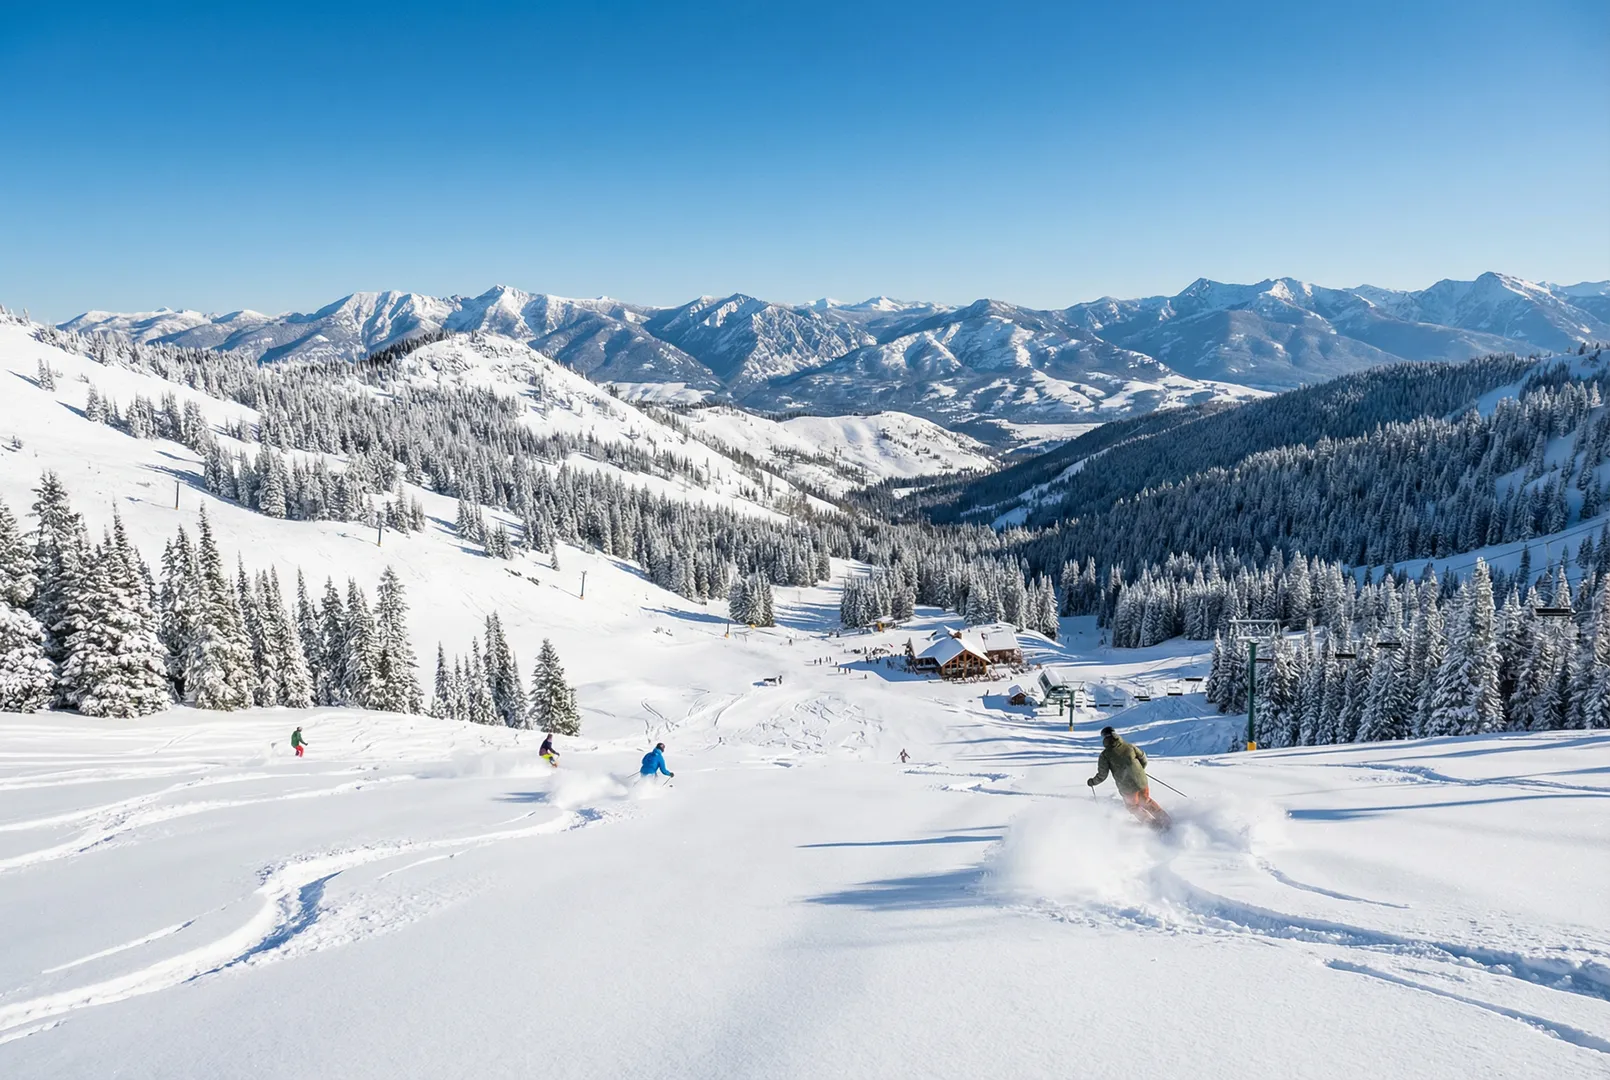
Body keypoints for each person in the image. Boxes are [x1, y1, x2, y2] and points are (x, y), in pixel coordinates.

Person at [1087, 726, 1170, 830]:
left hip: (1127, 787)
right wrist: (1139, 770)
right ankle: (1165, 820)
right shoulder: (1130, 746)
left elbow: (1102, 775)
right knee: (1146, 801)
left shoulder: (1105, 755)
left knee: (1133, 806)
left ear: (1104, 738)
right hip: (1142, 782)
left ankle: (1152, 825)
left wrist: (1092, 782)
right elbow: (1143, 759)